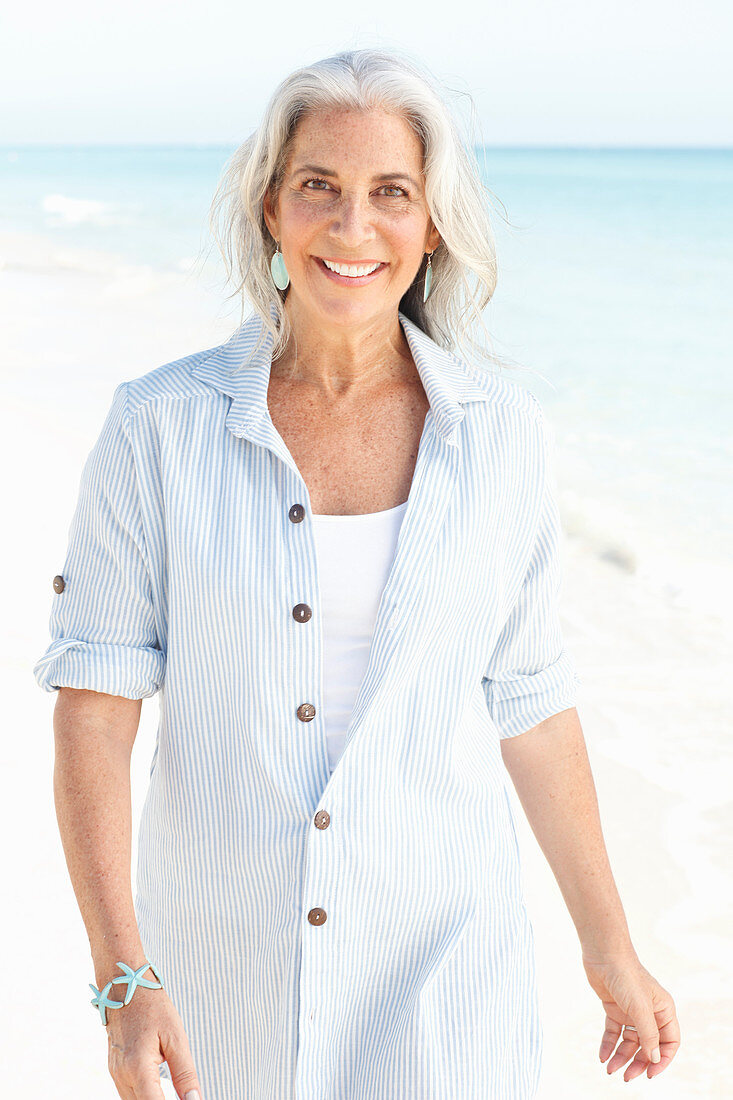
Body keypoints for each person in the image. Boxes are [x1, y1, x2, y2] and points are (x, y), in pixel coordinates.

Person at [33, 47, 680, 1100]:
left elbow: (531, 703)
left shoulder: (501, 438)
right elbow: (94, 713)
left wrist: (609, 946)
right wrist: (122, 975)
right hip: (219, 971)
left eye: (390, 193)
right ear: (268, 210)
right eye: (318, 187)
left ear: (431, 227)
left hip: (446, 961)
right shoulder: (157, 429)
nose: (351, 226)